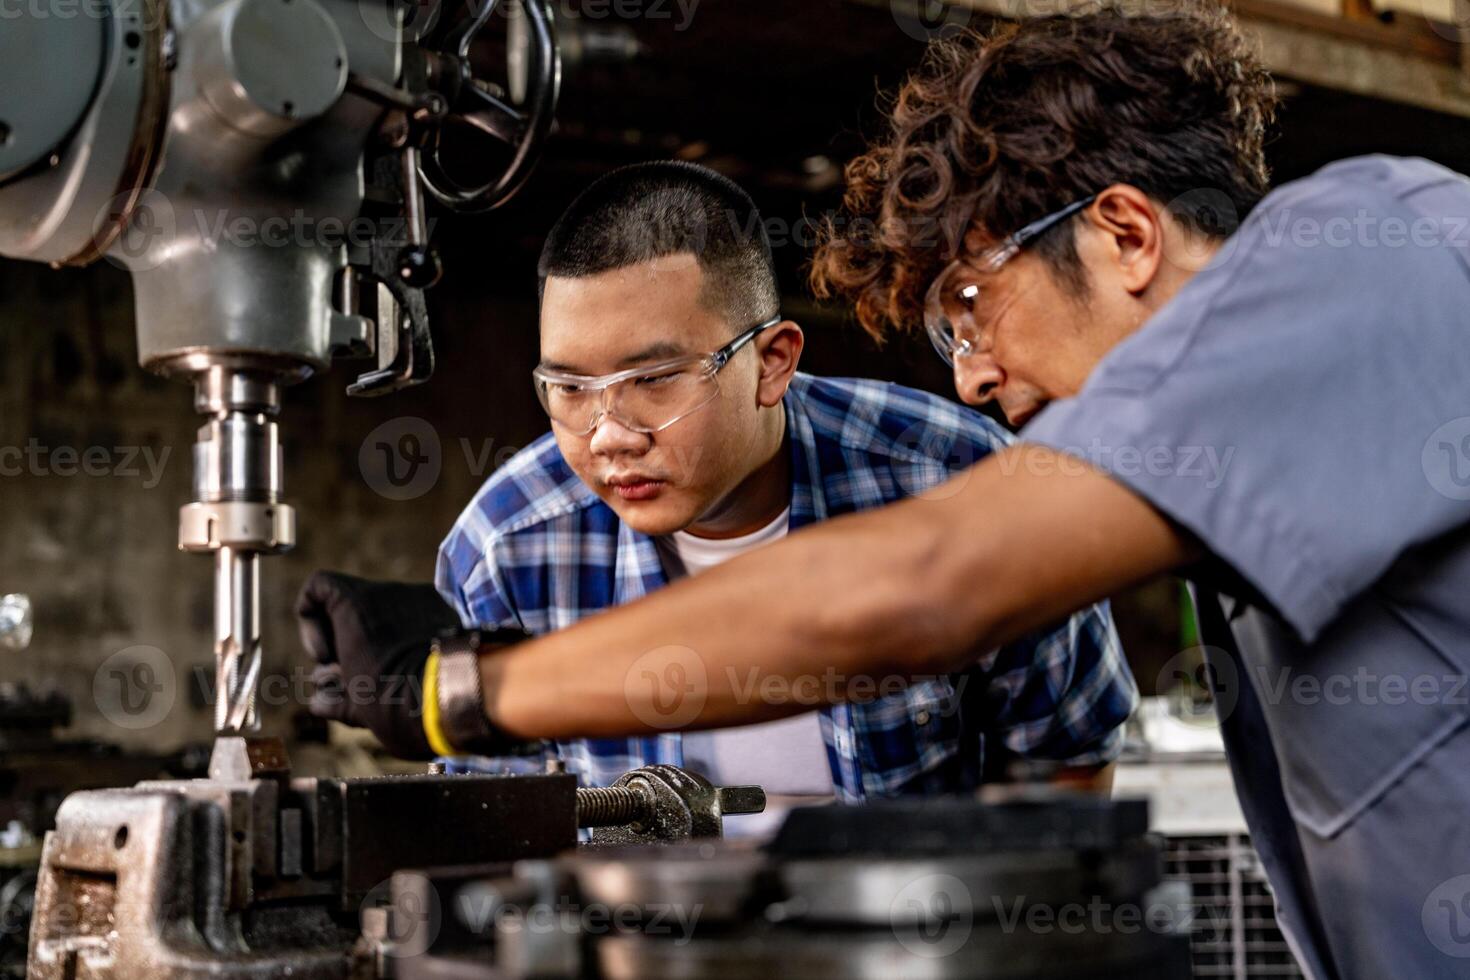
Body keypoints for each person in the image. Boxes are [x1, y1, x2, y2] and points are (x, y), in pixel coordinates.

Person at [303, 8, 1470, 976]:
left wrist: (465, 685)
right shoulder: (515, 534)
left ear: (1122, 233)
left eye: (969, 302)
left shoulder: (1360, 263)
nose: (966, 369)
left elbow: (922, 590)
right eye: (567, 387)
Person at [301, 162, 1134, 836]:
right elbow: (496, 830)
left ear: (772, 360)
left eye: (655, 380)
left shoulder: (948, 476)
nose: (609, 434)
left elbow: (1067, 757)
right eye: (568, 388)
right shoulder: (508, 543)